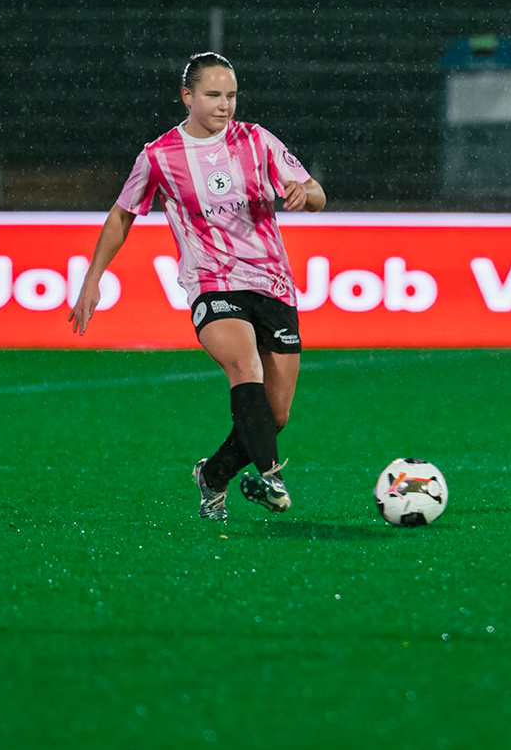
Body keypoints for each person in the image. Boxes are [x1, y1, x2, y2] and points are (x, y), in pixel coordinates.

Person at [71, 52, 326, 520]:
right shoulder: (159, 156)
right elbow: (123, 214)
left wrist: (302, 195)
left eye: (230, 95)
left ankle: (213, 475)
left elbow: (315, 193)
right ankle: (271, 477)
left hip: (273, 285)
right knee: (244, 363)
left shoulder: (257, 140)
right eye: (213, 95)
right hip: (212, 284)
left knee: (276, 416)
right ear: (188, 97)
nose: (224, 105)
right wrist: (93, 279)